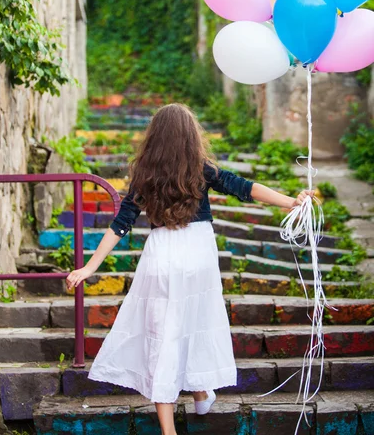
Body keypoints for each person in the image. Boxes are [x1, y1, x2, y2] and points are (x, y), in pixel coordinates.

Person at [67, 103, 313, 435]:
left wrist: (89, 267)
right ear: (190, 136)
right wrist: (291, 201)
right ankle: (200, 393)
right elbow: (244, 187)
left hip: (162, 255)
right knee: (194, 323)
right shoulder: (201, 168)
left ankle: (172, 426)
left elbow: (121, 224)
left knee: (163, 335)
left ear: (154, 136)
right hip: (199, 254)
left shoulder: (145, 173)